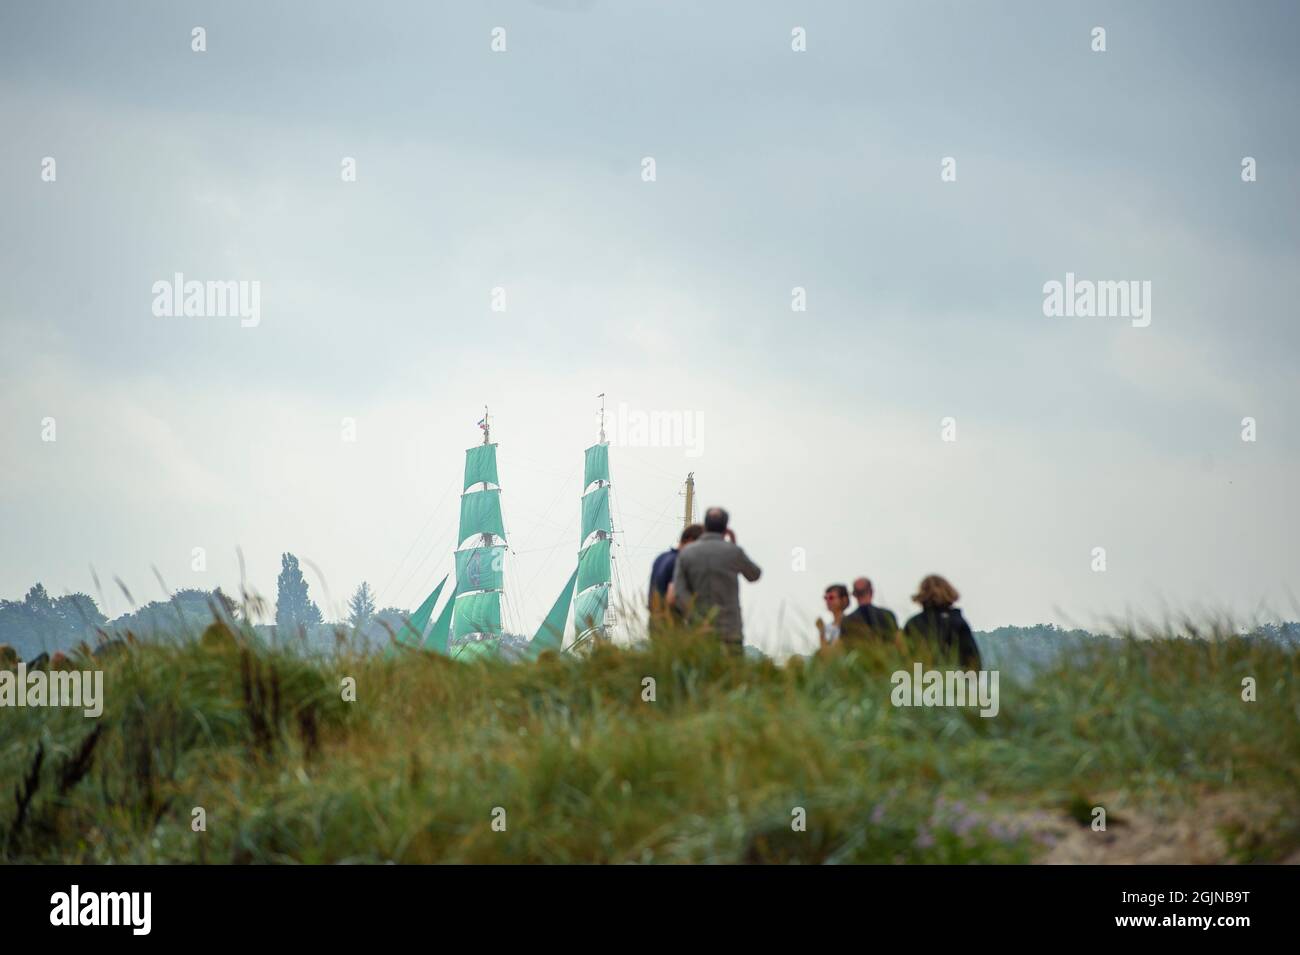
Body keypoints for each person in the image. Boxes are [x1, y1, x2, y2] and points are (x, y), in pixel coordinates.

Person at [671, 506, 761, 648]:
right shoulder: (734, 552)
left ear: (705, 527)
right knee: (732, 668)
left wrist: (696, 618)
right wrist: (733, 545)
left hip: (698, 629)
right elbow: (754, 575)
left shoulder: (686, 553)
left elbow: (679, 592)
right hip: (730, 630)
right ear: (726, 529)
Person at [903, 574, 981, 668]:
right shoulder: (957, 621)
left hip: (919, 678)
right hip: (954, 678)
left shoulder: (913, 623)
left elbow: (903, 656)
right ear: (949, 592)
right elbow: (972, 659)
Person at [649, 523, 703, 616]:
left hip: (655, 620)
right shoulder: (679, 561)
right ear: (690, 541)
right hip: (672, 623)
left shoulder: (661, 558)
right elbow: (672, 596)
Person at [841, 576, 899, 643]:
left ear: (854, 594)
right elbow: (898, 642)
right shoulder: (887, 615)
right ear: (871, 591)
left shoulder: (848, 621)